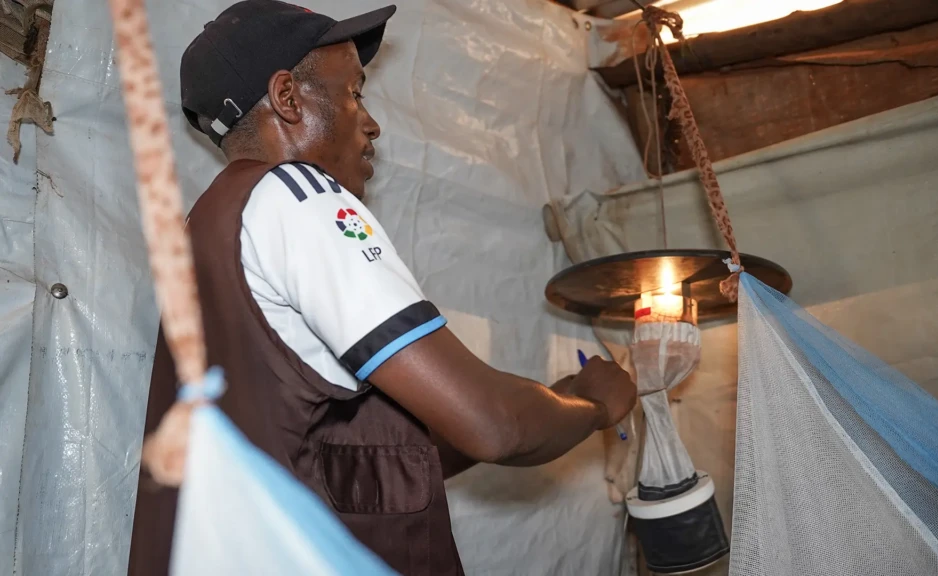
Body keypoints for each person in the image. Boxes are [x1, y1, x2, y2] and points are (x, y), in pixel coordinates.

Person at [127, 1, 637, 575]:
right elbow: (493, 426)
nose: (371, 124)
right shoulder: (299, 198)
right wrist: (596, 404)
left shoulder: (209, 226)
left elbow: (367, 462)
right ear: (288, 98)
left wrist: (557, 398)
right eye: (354, 94)